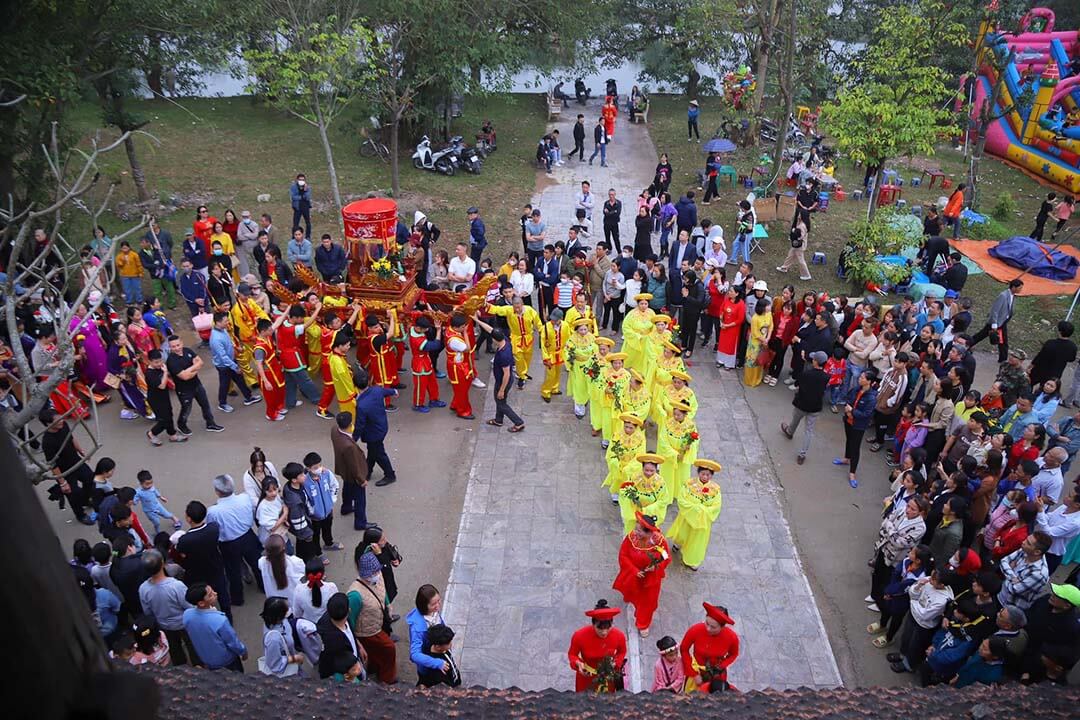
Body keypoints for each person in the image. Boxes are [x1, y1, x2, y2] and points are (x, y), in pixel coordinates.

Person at [206, 474, 263, 606]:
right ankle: (263, 586)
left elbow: (213, 528)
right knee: (256, 563)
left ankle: (237, 598)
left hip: (229, 543)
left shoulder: (214, 511)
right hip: (248, 536)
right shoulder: (245, 498)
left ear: (217, 491)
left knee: (233, 571)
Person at [612, 512, 671, 637]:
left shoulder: (659, 542)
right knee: (632, 592)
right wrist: (634, 570)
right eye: (636, 528)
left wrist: (656, 567)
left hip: (651, 578)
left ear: (649, 532)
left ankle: (643, 623)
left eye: (640, 531)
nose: (636, 533)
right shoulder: (631, 538)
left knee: (648, 602)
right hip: (634, 574)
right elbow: (623, 555)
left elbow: (666, 557)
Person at [138, 550, 197, 666]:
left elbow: (147, 611)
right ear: (162, 563)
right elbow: (189, 606)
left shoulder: (143, 589)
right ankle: (197, 664)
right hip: (184, 623)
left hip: (164, 625)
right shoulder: (176, 586)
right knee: (193, 646)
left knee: (174, 649)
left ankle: (181, 668)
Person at [346, 550, 398, 684]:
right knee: (389, 648)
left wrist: (387, 604)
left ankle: (375, 668)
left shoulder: (378, 576)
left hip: (377, 622)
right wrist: (355, 640)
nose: (377, 575)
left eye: (377, 571)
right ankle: (387, 678)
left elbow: (382, 590)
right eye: (373, 573)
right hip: (366, 631)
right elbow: (350, 620)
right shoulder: (355, 595)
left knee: (374, 653)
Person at [667, 459, 723, 570]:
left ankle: (692, 559)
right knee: (682, 533)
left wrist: (701, 510)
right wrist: (695, 508)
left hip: (702, 520)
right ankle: (678, 544)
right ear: (698, 473)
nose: (705, 477)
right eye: (703, 474)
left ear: (711, 476)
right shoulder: (689, 484)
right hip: (687, 516)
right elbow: (682, 500)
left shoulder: (715, 490)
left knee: (697, 541)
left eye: (708, 475)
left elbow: (716, 506)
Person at [165, 334, 225, 435]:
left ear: (182, 343)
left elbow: (200, 362)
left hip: (197, 384)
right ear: (170, 347)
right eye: (173, 346)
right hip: (184, 390)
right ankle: (181, 424)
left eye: (178, 345)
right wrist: (195, 368)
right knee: (186, 409)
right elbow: (184, 377)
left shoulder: (188, 351)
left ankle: (210, 423)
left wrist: (189, 370)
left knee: (205, 405)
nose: (176, 348)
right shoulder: (171, 361)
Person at [182, 583, 246, 672]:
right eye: (210, 595)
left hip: (206, 658)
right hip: (226, 661)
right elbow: (232, 641)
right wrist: (243, 651)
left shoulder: (187, 615)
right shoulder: (219, 620)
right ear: (201, 603)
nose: (215, 594)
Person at [567, 600, 627, 692]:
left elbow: (622, 652)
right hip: (587, 676)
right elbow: (572, 654)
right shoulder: (579, 635)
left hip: (608, 676)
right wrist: (578, 663)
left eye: (608, 628)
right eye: (600, 628)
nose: (604, 632)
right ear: (593, 624)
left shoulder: (619, 636)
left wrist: (616, 663)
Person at [834, 368, 879, 488]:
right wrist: (848, 411)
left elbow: (866, 414)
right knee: (849, 440)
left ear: (869, 381)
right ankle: (846, 458)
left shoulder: (871, 398)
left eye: (862, 378)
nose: (860, 379)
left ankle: (852, 472)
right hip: (848, 421)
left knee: (855, 447)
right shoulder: (856, 389)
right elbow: (849, 400)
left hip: (858, 425)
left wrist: (852, 411)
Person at [679, 603, 739, 692]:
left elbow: (734, 654)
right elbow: (684, 649)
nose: (708, 629)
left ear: (722, 627)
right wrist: (693, 673)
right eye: (707, 623)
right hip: (697, 672)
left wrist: (722, 665)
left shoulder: (732, 637)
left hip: (717, 674)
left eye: (713, 627)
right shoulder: (695, 630)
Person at [208, 312, 258, 413]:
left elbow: (229, 342)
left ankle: (248, 397)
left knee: (240, 379)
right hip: (225, 365)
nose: (228, 322)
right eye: (226, 321)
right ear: (218, 322)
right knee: (225, 384)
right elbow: (223, 357)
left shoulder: (223, 330)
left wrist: (236, 348)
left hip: (231, 361)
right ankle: (222, 403)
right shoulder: (216, 339)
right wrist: (235, 367)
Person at [333, 412, 371, 530]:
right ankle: (361, 522)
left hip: (343, 469)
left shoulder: (334, 430)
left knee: (347, 488)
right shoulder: (349, 446)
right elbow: (354, 466)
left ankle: (346, 507)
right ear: (350, 424)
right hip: (352, 473)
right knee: (360, 498)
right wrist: (362, 480)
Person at [970, 278, 1023, 363]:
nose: (1021, 290)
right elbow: (995, 310)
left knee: (1003, 341)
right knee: (981, 336)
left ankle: (1003, 359)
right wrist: (994, 324)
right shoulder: (1003, 296)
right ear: (1013, 287)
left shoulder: (1013, 296)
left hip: (1002, 322)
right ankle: (967, 344)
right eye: (1019, 288)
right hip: (996, 323)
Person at [406, 584, 448, 678]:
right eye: (433, 604)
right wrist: (436, 663)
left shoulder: (432, 612)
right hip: (429, 668)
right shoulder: (417, 629)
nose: (438, 606)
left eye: (438, 601)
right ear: (424, 606)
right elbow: (415, 654)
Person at [289, 173, 313, 238]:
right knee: (295, 223)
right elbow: (293, 197)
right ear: (297, 180)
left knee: (308, 222)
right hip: (297, 207)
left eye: (303, 179)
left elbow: (308, 197)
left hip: (305, 207)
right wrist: (302, 197)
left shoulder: (308, 187)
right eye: (300, 179)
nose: (301, 181)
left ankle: (308, 236)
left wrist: (305, 190)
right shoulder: (293, 187)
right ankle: (294, 237)